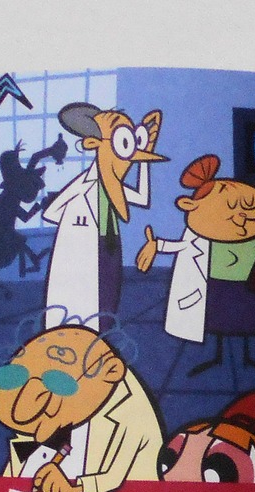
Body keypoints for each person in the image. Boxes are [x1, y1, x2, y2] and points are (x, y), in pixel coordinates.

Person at [137, 155, 255, 376]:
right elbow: (180, 246)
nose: (241, 218)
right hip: (218, 287)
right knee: (219, 322)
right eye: (231, 210)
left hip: (252, 288)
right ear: (189, 206)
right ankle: (217, 356)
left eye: (248, 209)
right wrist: (156, 245)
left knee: (249, 322)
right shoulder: (200, 238)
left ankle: (247, 357)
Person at [0, 324, 163, 492]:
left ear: (112, 371)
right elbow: (25, 450)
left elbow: (112, 479)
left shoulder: (130, 411)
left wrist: (73, 487)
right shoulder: (38, 392)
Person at [42, 102, 164, 329]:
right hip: (85, 247)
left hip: (110, 245)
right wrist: (76, 224)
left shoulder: (112, 186)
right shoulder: (83, 184)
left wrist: (144, 162)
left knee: (108, 297)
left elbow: (142, 198)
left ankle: (101, 335)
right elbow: (51, 212)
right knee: (82, 301)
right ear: (95, 144)